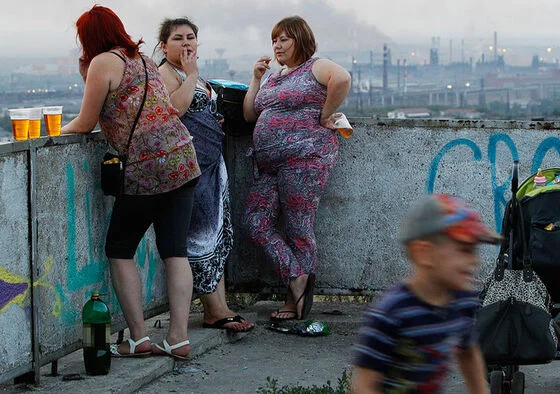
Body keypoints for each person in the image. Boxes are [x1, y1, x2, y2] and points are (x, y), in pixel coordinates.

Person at [62, 5, 200, 360]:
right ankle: (178, 338)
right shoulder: (141, 58)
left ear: (88, 37)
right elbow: (120, 105)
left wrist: (51, 133)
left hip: (146, 168)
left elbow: (85, 121)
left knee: (120, 249)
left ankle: (138, 338)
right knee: (175, 251)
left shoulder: (102, 62)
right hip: (182, 159)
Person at [242, 15, 351, 321]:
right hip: (268, 164)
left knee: (297, 229)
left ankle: (295, 302)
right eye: (274, 40)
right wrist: (256, 78)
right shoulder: (275, 77)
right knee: (254, 222)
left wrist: (325, 115)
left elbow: (341, 79)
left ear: (300, 40)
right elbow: (250, 114)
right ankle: (296, 276)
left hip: (305, 160)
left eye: (284, 39)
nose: (277, 45)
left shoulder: (315, 66)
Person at [156, 17, 254, 333]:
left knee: (216, 236)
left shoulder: (189, 75)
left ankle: (220, 307)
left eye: (191, 38)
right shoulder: (164, 74)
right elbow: (174, 110)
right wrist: (194, 75)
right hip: (189, 168)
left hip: (212, 164)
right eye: (178, 39)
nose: (186, 44)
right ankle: (213, 309)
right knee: (199, 237)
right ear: (163, 45)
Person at [351, 194, 497, 393]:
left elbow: (468, 351)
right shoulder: (391, 313)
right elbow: (363, 386)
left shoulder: (462, 303)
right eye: (465, 250)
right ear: (424, 253)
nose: (475, 261)